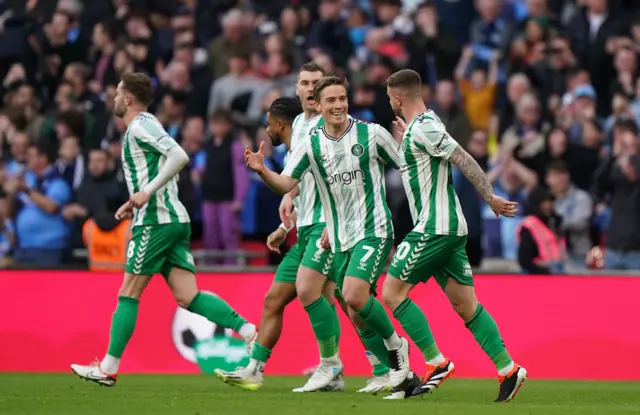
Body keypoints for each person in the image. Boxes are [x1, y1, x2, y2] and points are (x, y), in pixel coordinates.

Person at [70, 72, 257, 387]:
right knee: (188, 297)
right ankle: (251, 332)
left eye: (117, 93)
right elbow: (160, 169)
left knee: (128, 292)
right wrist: (136, 200)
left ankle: (108, 367)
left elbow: (180, 155)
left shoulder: (142, 124)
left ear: (128, 98)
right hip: (170, 219)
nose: (113, 99)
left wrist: (146, 193)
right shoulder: (140, 127)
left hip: (156, 222)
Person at [244, 76, 415, 395]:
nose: (338, 105)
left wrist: (410, 145)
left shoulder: (371, 134)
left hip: (373, 230)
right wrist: (262, 170)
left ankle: (393, 349)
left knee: (351, 295)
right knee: (351, 304)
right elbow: (286, 185)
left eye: (342, 99)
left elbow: (406, 166)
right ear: (318, 106)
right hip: (338, 237)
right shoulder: (310, 144)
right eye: (331, 101)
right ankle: (389, 367)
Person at [383, 69, 527, 403]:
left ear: (399, 98)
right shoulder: (420, 128)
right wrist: (407, 141)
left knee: (391, 292)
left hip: (436, 227)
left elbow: (462, 157)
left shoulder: (427, 127)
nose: (390, 102)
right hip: (448, 228)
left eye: (391, 97)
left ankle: (435, 361)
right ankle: (508, 369)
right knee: (466, 305)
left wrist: (489, 195)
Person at [215, 65, 345, 393]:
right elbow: (297, 183)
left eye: (317, 84)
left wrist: (335, 223)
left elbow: (331, 182)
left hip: (327, 227)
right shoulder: (301, 125)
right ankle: (254, 370)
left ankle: (345, 365)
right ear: (298, 89)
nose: (311, 89)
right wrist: (283, 225)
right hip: (305, 228)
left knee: (335, 298)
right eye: (305, 83)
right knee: (276, 299)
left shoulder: (328, 129)